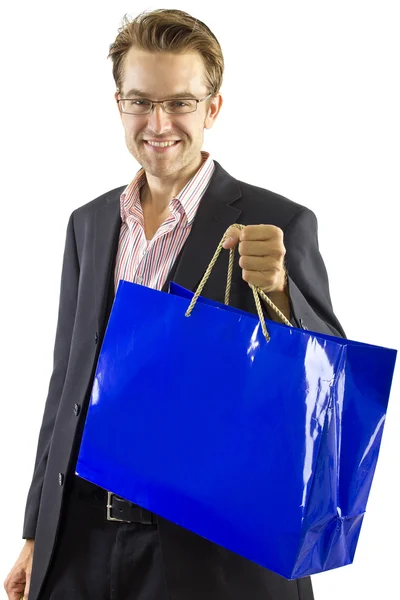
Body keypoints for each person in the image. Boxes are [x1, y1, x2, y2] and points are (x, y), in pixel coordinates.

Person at [4, 8, 345, 600]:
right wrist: (39, 531)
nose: (158, 122)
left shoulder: (277, 222)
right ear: (119, 104)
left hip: (211, 553)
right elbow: (67, 386)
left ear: (212, 108)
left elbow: (326, 386)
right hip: (83, 541)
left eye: (180, 103)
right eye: (141, 101)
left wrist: (283, 293)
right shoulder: (89, 224)